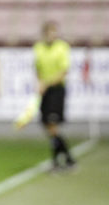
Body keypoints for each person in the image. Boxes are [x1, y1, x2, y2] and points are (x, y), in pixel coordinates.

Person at [32, 20, 76, 171]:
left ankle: (57, 161)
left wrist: (47, 83)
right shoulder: (38, 48)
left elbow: (63, 72)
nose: (52, 35)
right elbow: (37, 68)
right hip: (45, 90)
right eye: (49, 32)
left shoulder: (62, 48)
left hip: (56, 90)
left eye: (54, 32)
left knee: (53, 126)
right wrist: (39, 83)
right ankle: (69, 159)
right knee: (47, 125)